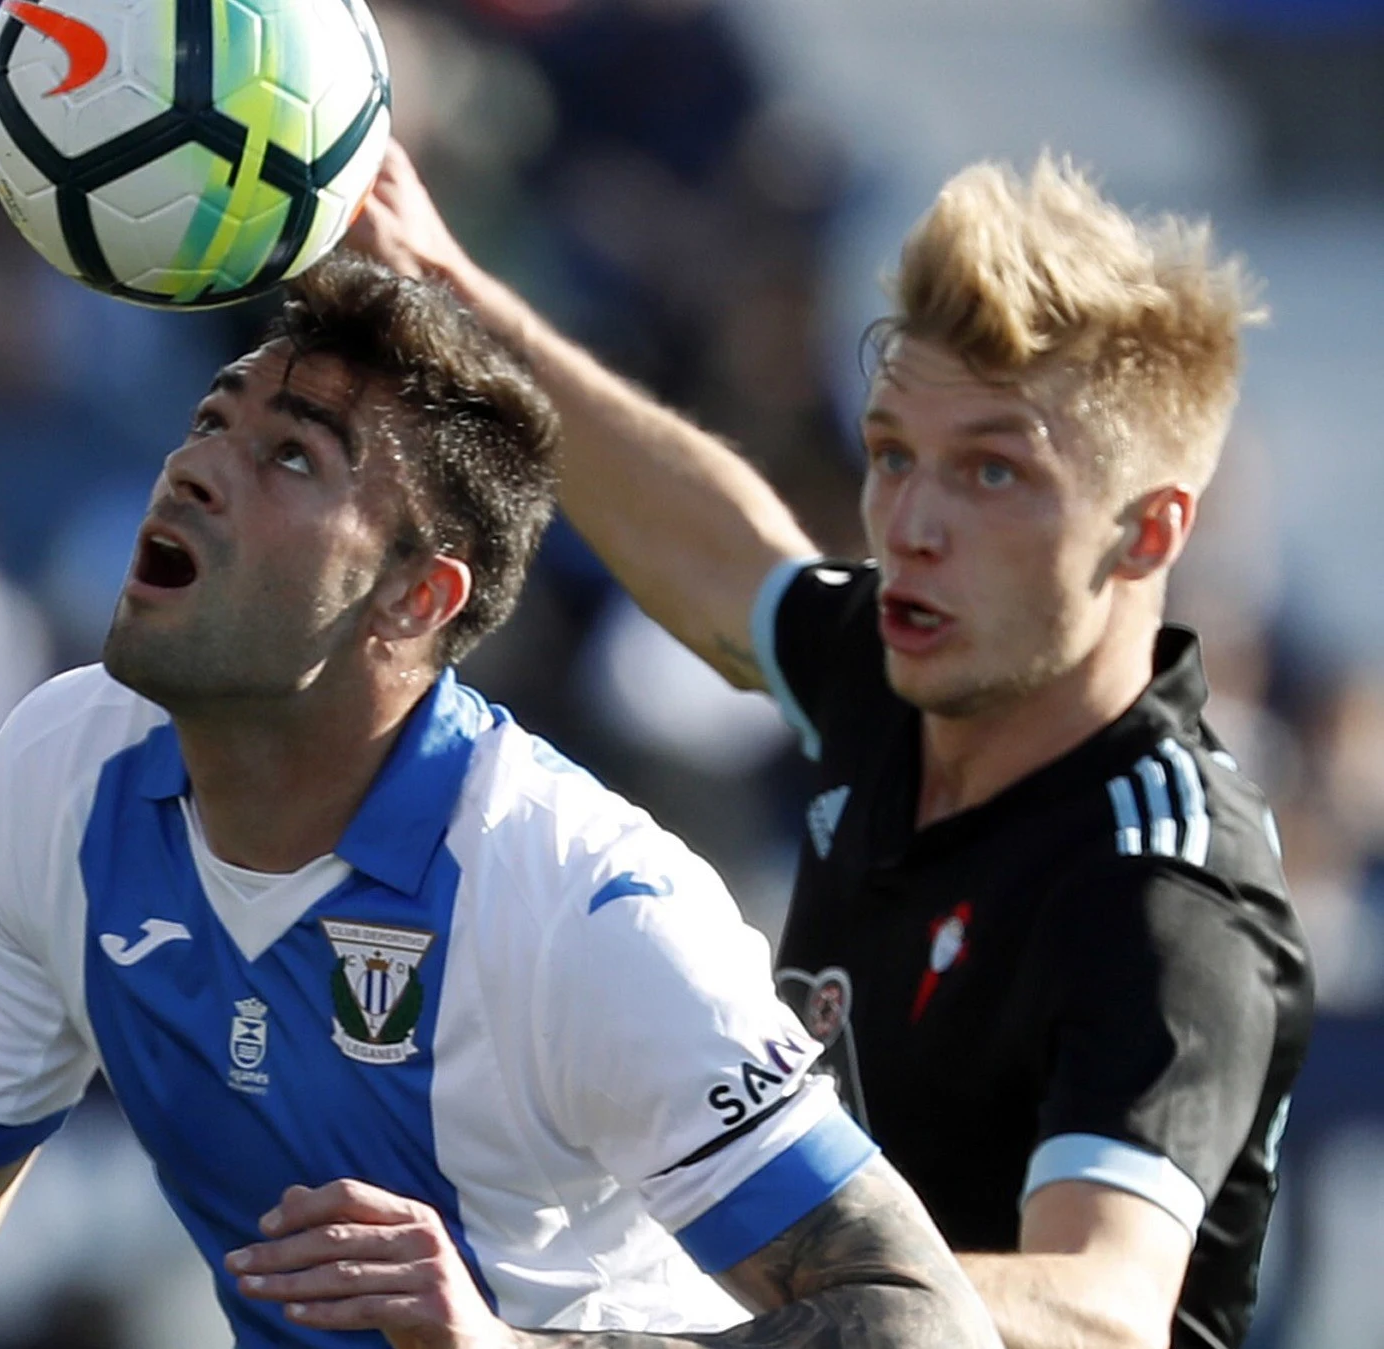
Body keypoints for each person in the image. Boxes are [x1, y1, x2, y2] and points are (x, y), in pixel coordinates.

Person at [0, 254, 997, 1349]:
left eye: (291, 455)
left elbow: (915, 1314)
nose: (197, 466)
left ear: (410, 603)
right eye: (209, 418)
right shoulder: (60, 770)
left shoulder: (581, 907)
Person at [348, 143, 1312, 1349]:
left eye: (993, 471)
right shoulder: (908, 669)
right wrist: (446, 283)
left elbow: (1099, 1306)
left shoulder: (1164, 884)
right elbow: (717, 553)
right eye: (894, 452)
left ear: (1145, 531)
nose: (909, 524)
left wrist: (665, 1317)